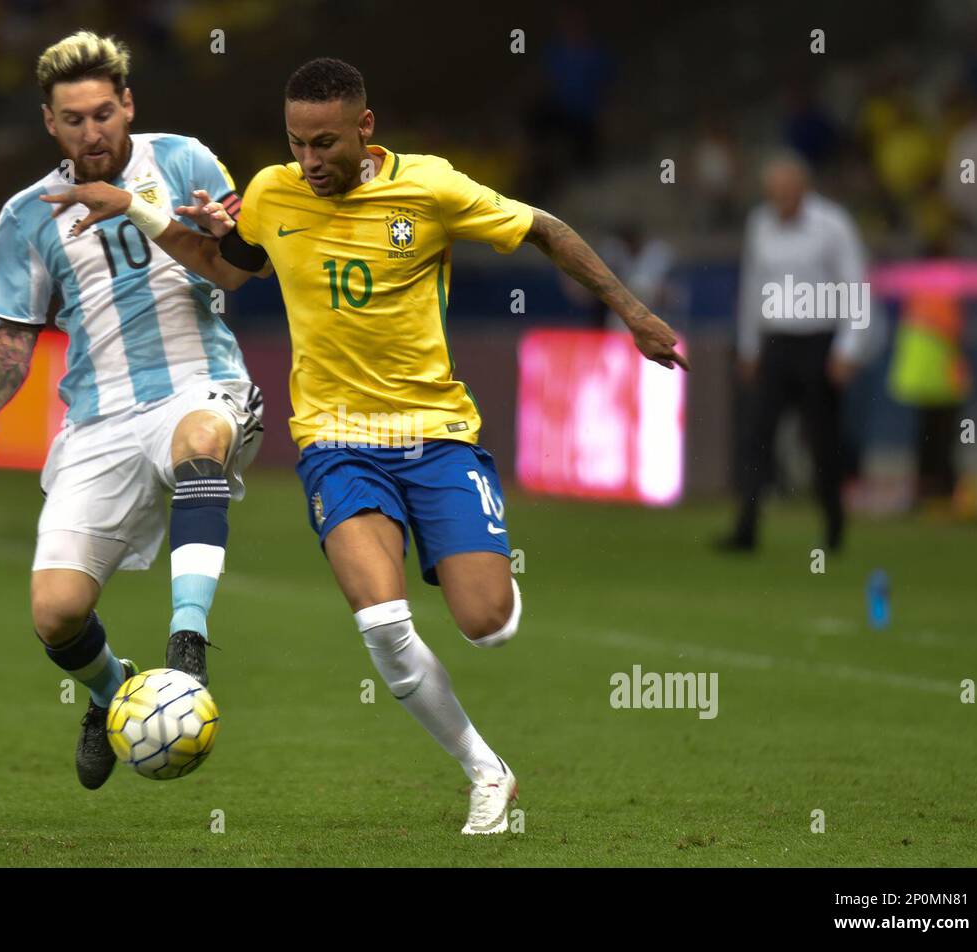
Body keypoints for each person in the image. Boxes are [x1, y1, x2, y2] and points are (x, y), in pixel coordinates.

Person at [45, 58, 685, 834]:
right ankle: (487, 772)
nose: (309, 162)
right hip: (336, 442)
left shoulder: (432, 188)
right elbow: (225, 267)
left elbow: (544, 228)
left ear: (364, 128)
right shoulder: (275, 193)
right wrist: (138, 210)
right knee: (382, 622)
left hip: (438, 434)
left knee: (486, 619)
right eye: (296, 143)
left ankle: (475, 575)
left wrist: (634, 312)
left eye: (324, 144)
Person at [0, 31, 263, 790]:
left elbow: (240, 271)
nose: (93, 131)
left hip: (200, 379)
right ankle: (110, 692)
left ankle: (187, 642)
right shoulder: (27, 216)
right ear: (50, 124)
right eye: (74, 119)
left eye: (103, 112)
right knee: (56, 612)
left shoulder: (184, 159)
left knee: (199, 442)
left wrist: (224, 232)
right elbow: (18, 332)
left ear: (128, 105)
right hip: (98, 417)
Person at [721, 152, 870, 553]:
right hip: (775, 343)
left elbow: (855, 284)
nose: (779, 200)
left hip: (818, 343)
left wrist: (848, 347)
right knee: (757, 436)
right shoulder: (760, 223)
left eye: (786, 192)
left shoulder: (832, 225)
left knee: (823, 441)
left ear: (803, 188)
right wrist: (749, 346)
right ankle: (746, 529)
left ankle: (833, 529)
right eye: (773, 193)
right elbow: (753, 286)